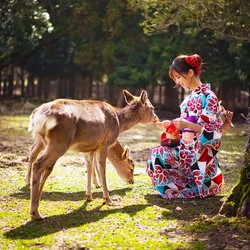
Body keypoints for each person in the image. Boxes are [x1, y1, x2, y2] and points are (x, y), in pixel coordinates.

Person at [146, 54, 233, 199]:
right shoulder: (187, 100)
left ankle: (196, 187)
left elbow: (215, 133)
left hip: (200, 154)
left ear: (190, 73)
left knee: (160, 155)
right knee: (157, 153)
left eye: (179, 77)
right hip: (185, 149)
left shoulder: (209, 97)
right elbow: (184, 131)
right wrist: (172, 126)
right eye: (175, 79)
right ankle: (178, 187)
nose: (177, 82)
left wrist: (187, 125)